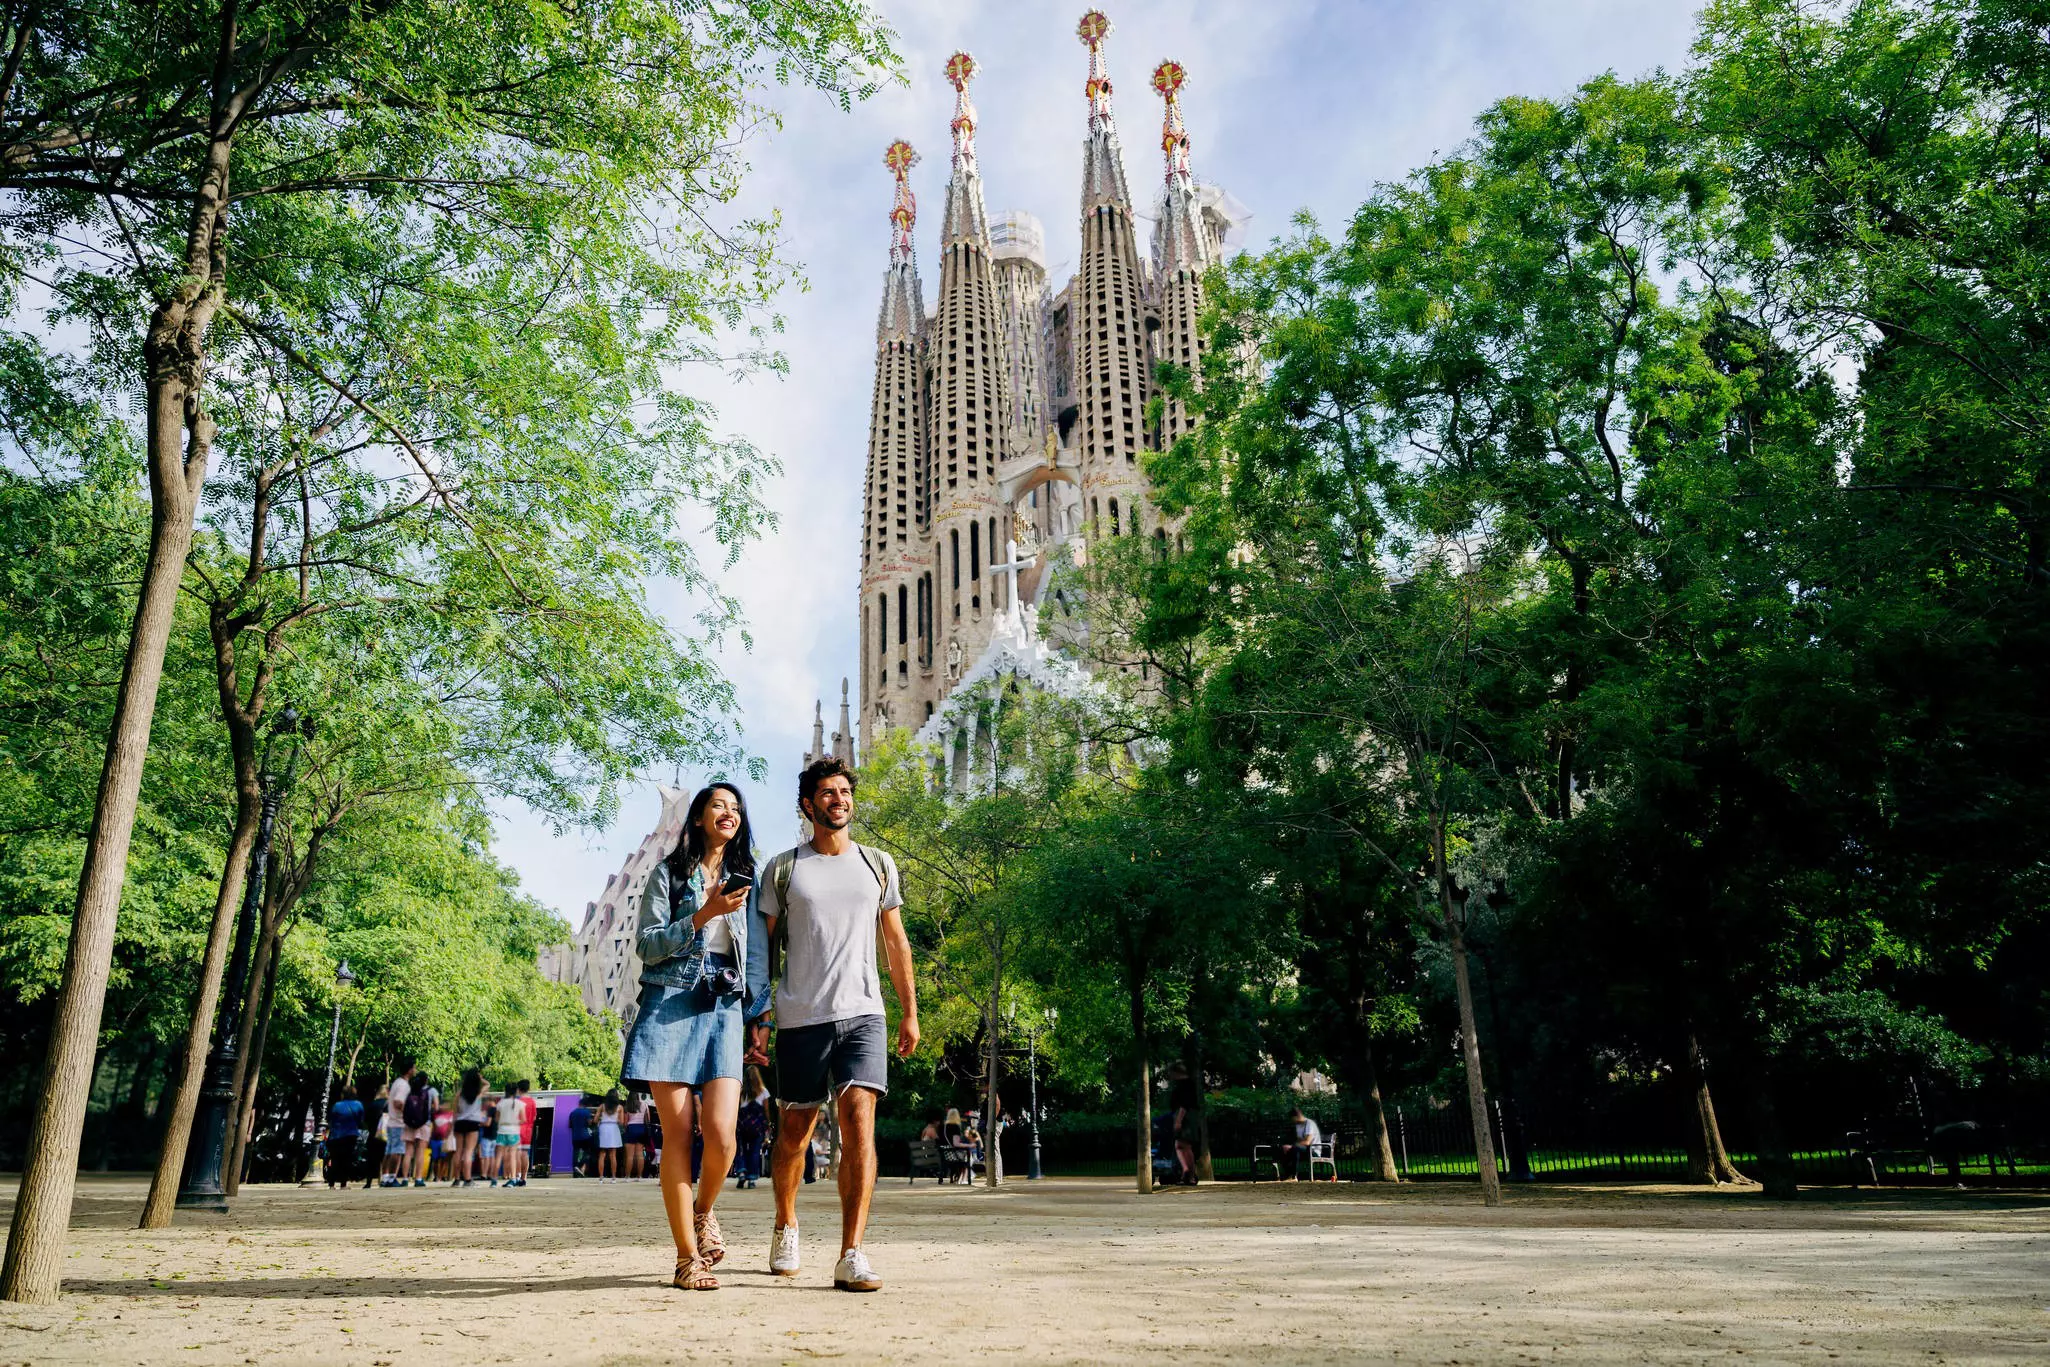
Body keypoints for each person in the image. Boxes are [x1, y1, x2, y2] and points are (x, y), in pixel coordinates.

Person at [749, 757, 919, 1293]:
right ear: (808, 804)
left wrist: (909, 1010)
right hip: (802, 1017)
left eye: (845, 791)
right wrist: (759, 1013)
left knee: (859, 1125)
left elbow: (895, 941)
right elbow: (762, 948)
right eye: (827, 792)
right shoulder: (783, 869)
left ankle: (852, 1252)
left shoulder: (878, 864)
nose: (838, 800)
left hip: (864, 1013)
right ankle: (786, 1224)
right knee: (795, 1132)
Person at [619, 781, 763, 1291]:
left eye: (735, 807)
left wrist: (760, 1017)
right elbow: (647, 944)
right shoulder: (670, 874)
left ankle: (703, 1210)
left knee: (722, 1134)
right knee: (678, 1135)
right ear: (699, 817)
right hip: (671, 1003)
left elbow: (758, 954)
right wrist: (704, 915)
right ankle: (686, 1258)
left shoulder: (747, 878)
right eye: (718, 805)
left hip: (724, 1006)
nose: (729, 813)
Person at [735, 1067, 769, 1190]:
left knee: (741, 1149)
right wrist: (768, 1125)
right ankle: (752, 1179)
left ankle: (741, 1172)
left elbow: (737, 1108)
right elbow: (766, 1110)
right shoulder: (763, 1091)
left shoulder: (741, 1091)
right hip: (757, 1126)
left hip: (743, 1125)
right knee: (755, 1151)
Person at [326, 1080, 364, 1189]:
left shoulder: (337, 1105)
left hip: (336, 1135)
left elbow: (331, 1119)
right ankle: (343, 1184)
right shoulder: (358, 1105)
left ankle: (331, 1184)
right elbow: (360, 1120)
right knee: (347, 1159)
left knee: (335, 1159)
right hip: (350, 1135)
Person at [382, 1061, 415, 1187]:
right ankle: (391, 1178)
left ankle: (385, 1177)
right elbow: (398, 1102)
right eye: (414, 1068)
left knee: (389, 1150)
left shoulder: (396, 1082)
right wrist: (409, 1113)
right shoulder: (403, 1085)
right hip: (398, 1122)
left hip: (392, 1122)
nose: (415, 1070)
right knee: (396, 1151)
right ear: (409, 1070)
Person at [453, 1069, 488, 1186]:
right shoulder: (478, 1092)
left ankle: (456, 1179)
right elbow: (488, 1084)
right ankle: (467, 1180)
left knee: (458, 1151)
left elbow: (456, 1109)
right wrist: (480, 1079)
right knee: (468, 1151)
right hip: (472, 1123)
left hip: (460, 1122)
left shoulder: (460, 1093)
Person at [1168, 1061, 1200, 1187]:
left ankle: (1189, 1173)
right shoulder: (1188, 1084)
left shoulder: (1184, 1085)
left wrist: (1178, 1120)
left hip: (1184, 1116)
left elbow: (1184, 1104)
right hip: (1186, 1115)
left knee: (1183, 1145)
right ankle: (1187, 1172)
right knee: (1182, 1145)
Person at [404, 1072, 438, 1186]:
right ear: (426, 1080)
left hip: (409, 1124)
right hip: (424, 1123)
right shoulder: (431, 1090)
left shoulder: (410, 1090)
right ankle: (418, 1179)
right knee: (420, 1151)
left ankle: (405, 1179)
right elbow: (436, 1107)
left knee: (408, 1151)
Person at [494, 1082, 524, 1188]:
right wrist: (514, 1122)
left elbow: (496, 1119)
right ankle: (513, 1179)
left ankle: (494, 1180)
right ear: (516, 1091)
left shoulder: (500, 1103)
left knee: (499, 1156)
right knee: (512, 1156)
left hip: (502, 1131)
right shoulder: (519, 1103)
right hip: (514, 1132)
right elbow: (523, 1119)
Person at [1282, 1107, 1322, 1182]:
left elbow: (1307, 1142)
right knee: (1284, 1150)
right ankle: (1288, 1175)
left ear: (1297, 1116)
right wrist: (1288, 1147)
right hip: (1303, 1150)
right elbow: (1299, 1140)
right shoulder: (1298, 1126)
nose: (1292, 1121)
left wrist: (1292, 1146)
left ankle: (1294, 1176)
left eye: (1293, 1119)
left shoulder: (1309, 1123)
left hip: (1313, 1150)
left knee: (1295, 1149)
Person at [597, 1090, 625, 1180]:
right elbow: (622, 1122)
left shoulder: (602, 1106)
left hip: (604, 1128)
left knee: (602, 1154)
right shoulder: (620, 1107)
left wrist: (601, 1119)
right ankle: (613, 1177)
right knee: (613, 1155)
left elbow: (595, 1119)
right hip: (613, 1128)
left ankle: (601, 1177)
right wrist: (615, 1119)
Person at [515, 1080, 536, 1185]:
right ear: (528, 1089)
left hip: (517, 1129)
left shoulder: (517, 1101)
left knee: (517, 1153)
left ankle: (517, 1176)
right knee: (525, 1154)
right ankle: (524, 1178)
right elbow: (534, 1117)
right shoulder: (532, 1101)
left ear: (518, 1089)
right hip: (528, 1130)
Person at [568, 1095, 595, 1177]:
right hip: (585, 1136)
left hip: (575, 1136)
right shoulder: (586, 1112)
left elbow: (570, 1125)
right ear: (586, 1105)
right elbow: (589, 1123)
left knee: (575, 1152)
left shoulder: (572, 1113)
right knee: (587, 1152)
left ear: (579, 1104)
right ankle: (580, 1165)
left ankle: (575, 1169)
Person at [624, 1093, 648, 1180]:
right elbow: (647, 1119)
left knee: (630, 1156)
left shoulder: (628, 1106)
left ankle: (627, 1176)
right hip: (641, 1128)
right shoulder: (644, 1104)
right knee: (640, 1154)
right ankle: (639, 1176)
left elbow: (625, 1122)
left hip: (631, 1128)